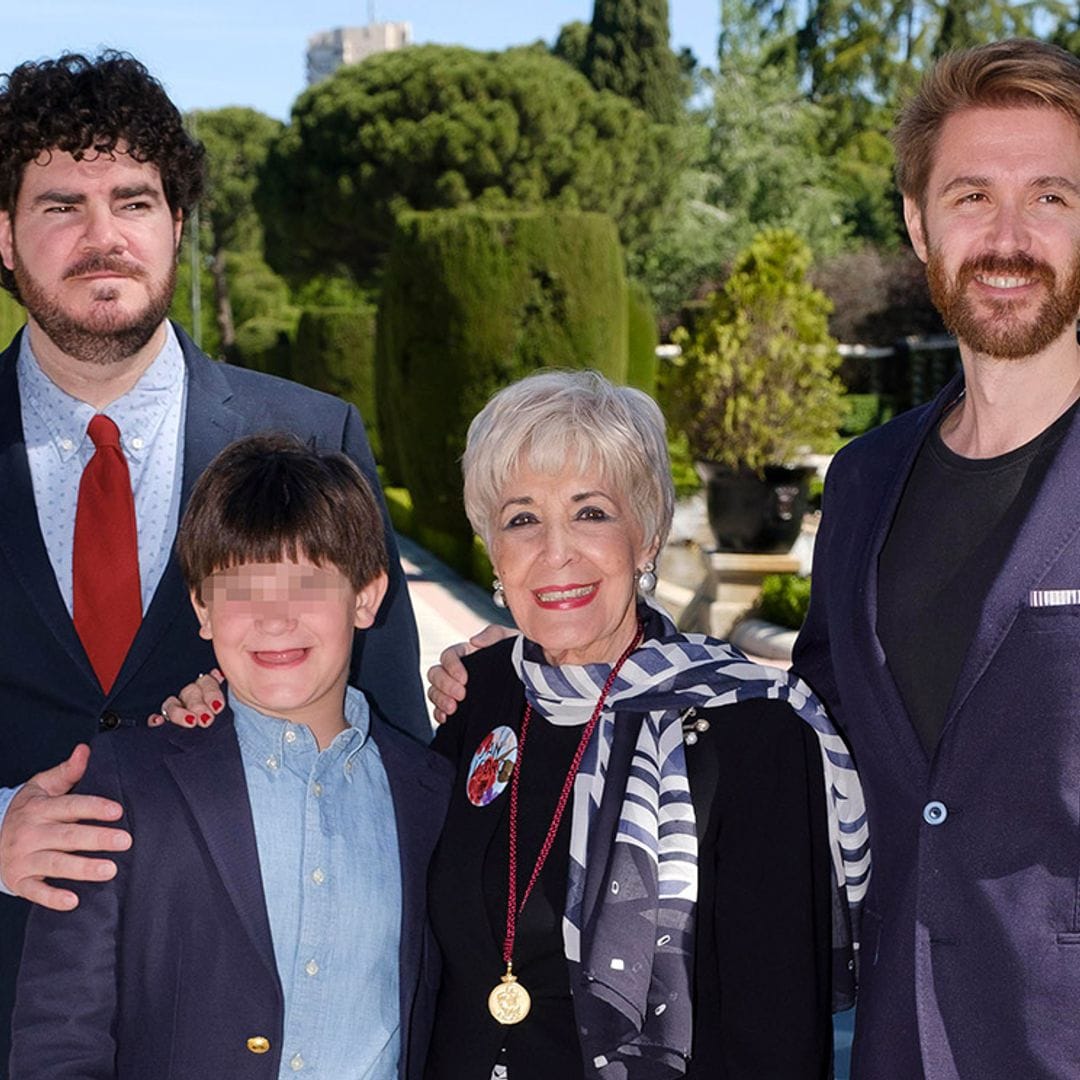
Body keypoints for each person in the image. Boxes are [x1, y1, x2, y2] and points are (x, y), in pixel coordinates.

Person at [0, 49, 427, 1073]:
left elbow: (395, 738)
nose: (104, 235)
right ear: (4, 236)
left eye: (135, 200)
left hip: (245, 1013)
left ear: (178, 225)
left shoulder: (315, 435)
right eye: (62, 203)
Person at [422, 370, 867, 1079]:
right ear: (493, 553)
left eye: (591, 512)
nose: (555, 549)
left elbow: (778, 1036)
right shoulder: (480, 699)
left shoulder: (751, 734)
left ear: (649, 533)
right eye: (521, 518)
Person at [791, 38, 1080, 1080]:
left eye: (1050, 197)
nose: (1008, 238)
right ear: (919, 225)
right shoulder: (864, 481)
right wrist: (561, 666)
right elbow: (805, 730)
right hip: (897, 1048)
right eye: (971, 197)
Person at [10, 434, 451, 1079]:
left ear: (366, 596)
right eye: (242, 588)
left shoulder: (430, 795)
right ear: (203, 609)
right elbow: (60, 1036)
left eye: (305, 584)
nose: (273, 619)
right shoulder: (127, 782)